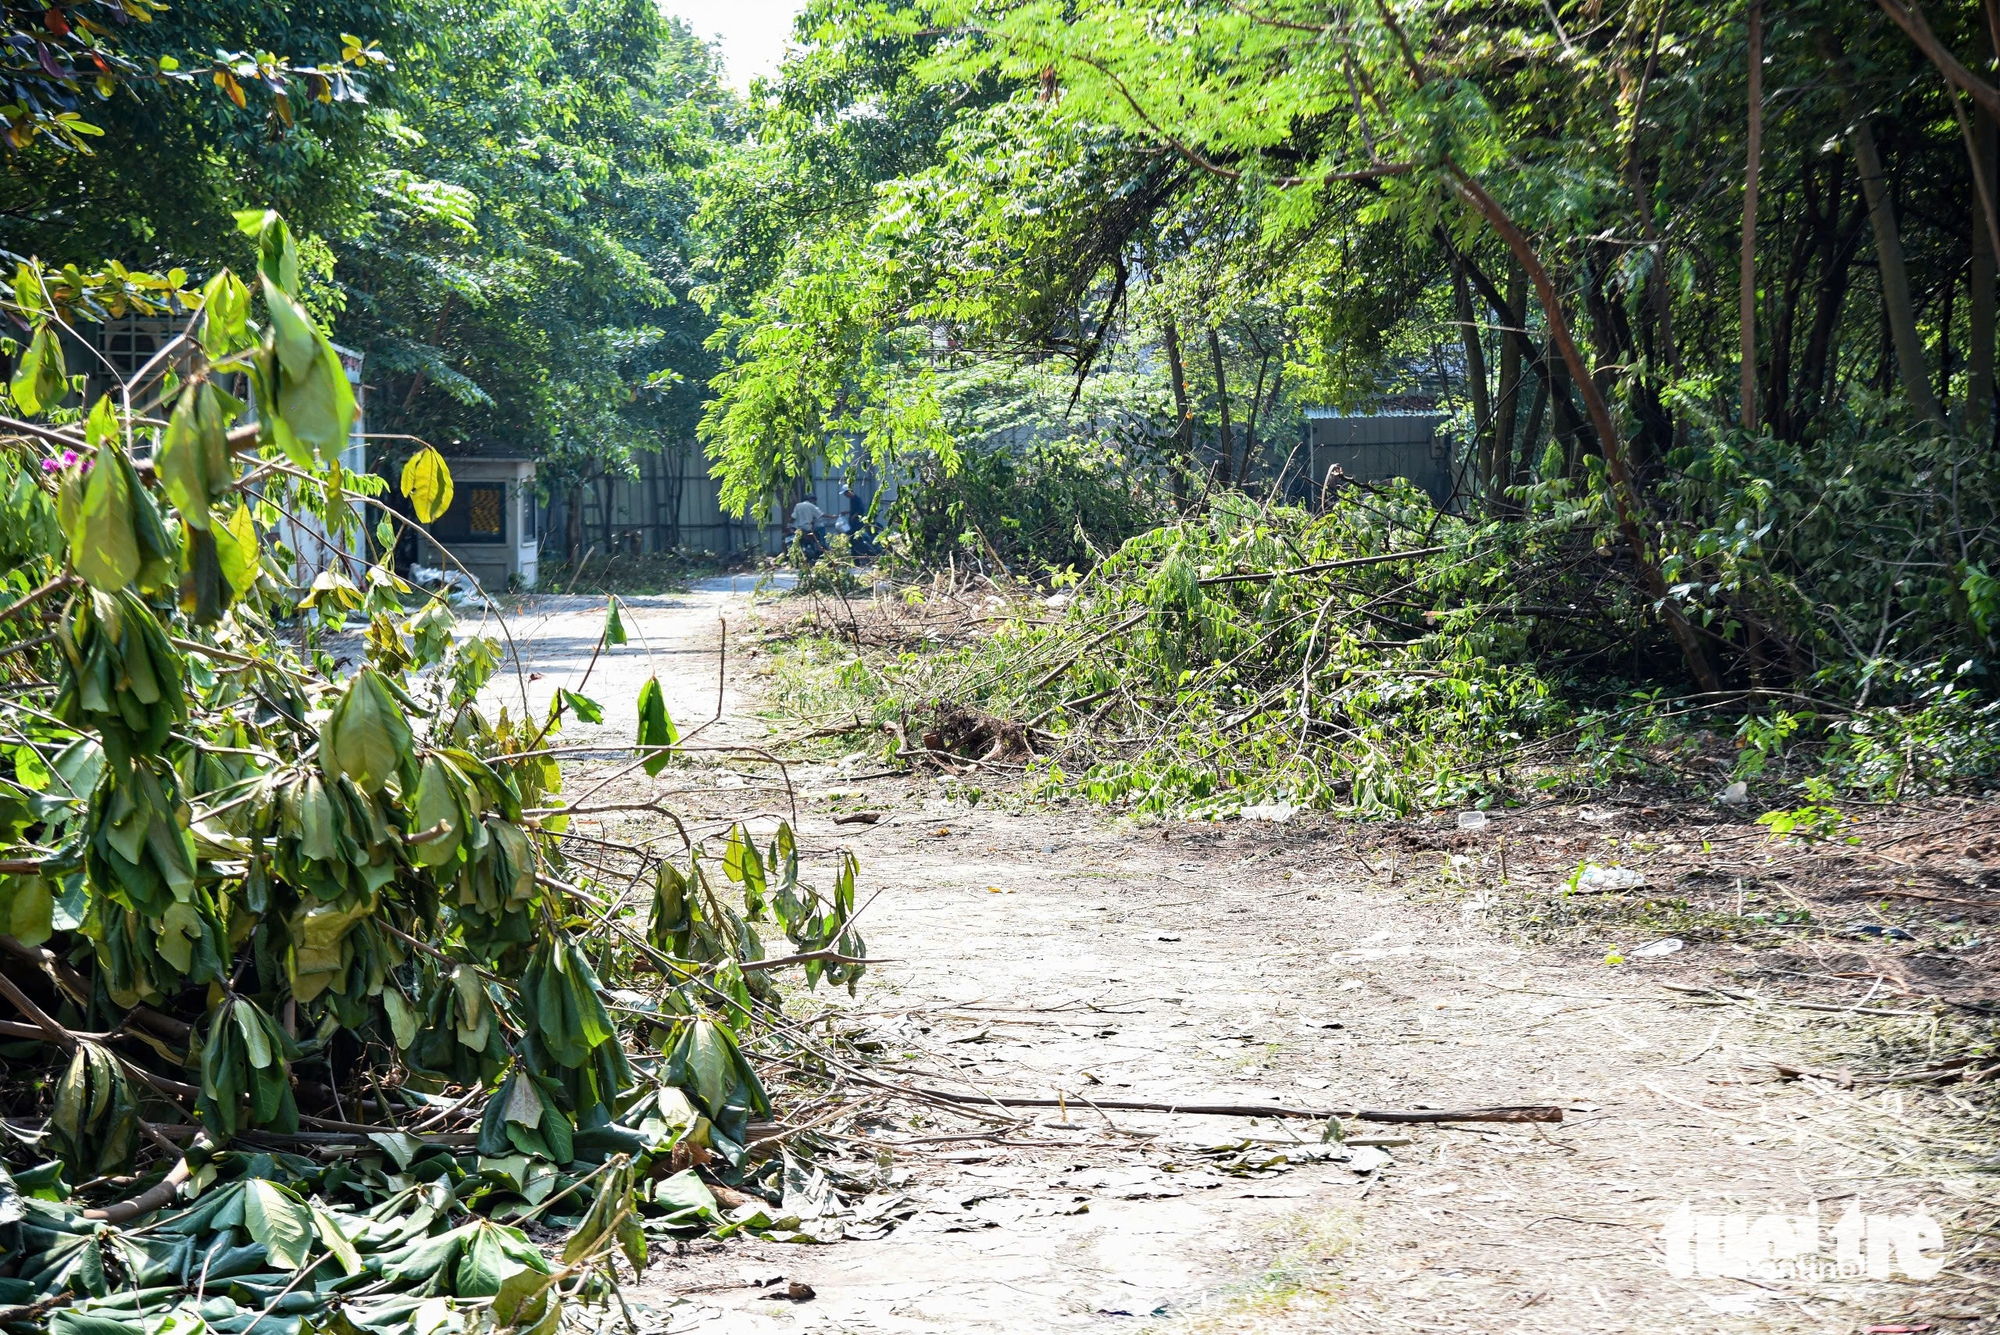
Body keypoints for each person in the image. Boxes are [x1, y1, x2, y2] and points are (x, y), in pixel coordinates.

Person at [790, 494, 826, 559]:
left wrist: (789, 524)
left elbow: (793, 517)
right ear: (810, 499)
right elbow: (821, 514)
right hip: (808, 528)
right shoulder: (812, 506)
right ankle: (820, 552)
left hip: (798, 529)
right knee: (819, 539)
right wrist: (833, 516)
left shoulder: (797, 505)